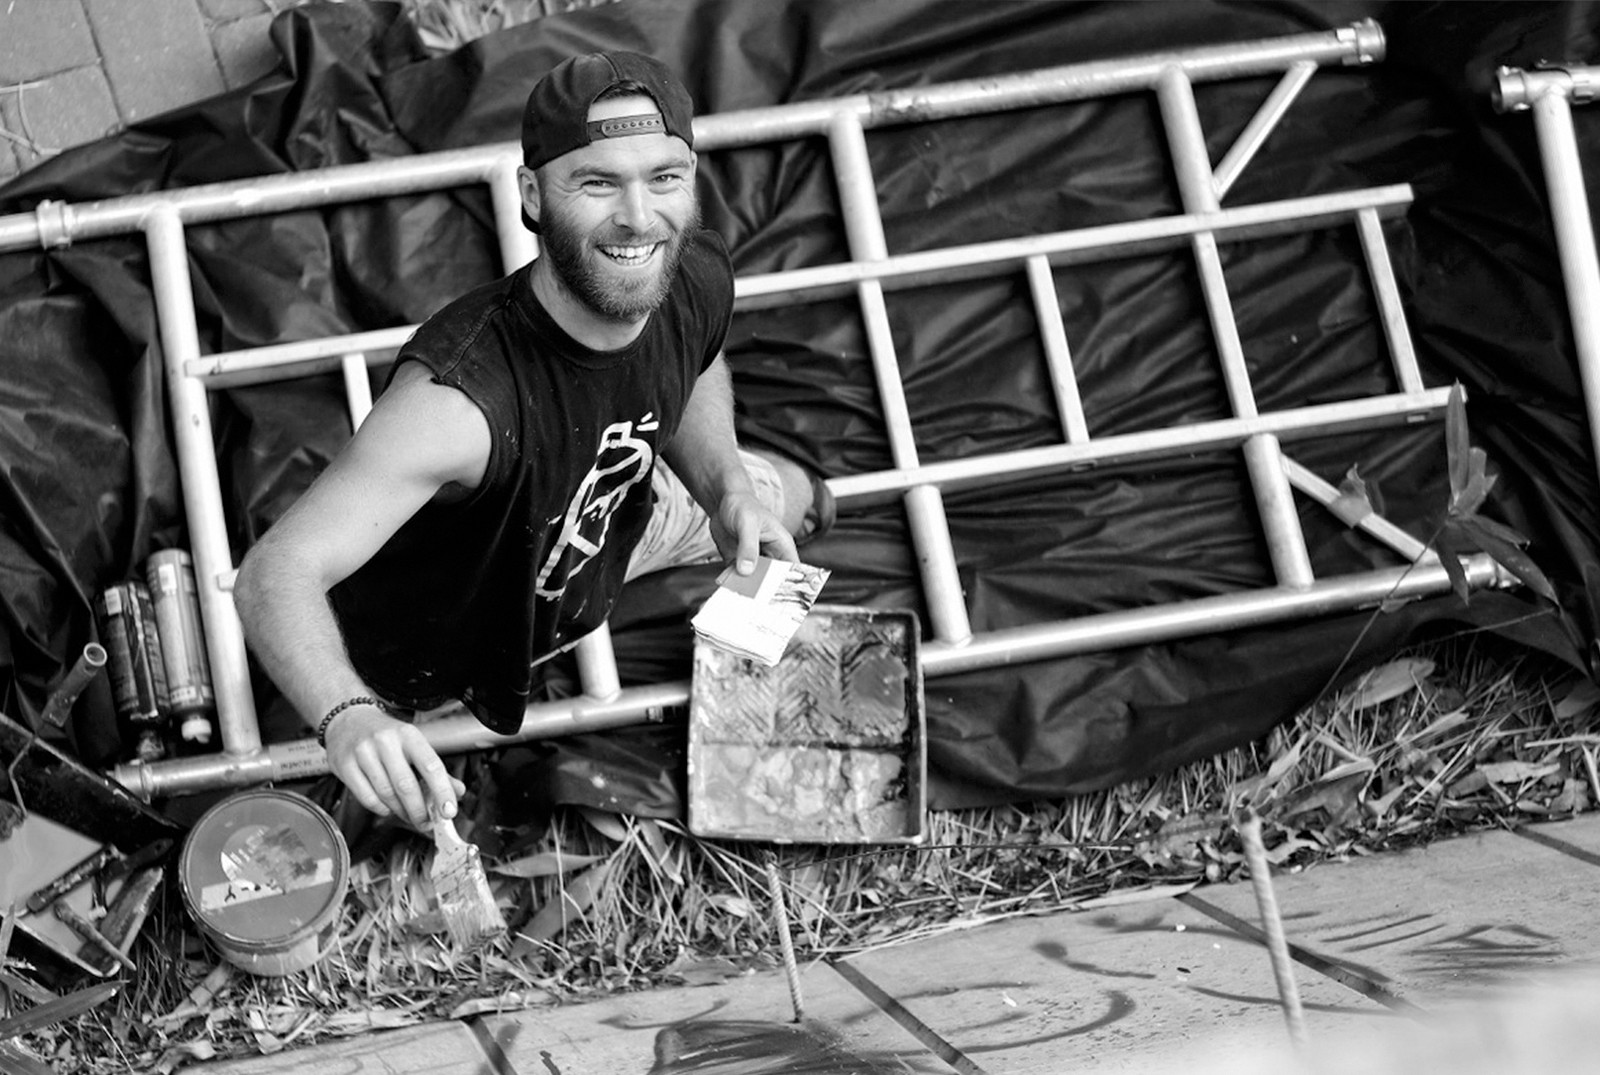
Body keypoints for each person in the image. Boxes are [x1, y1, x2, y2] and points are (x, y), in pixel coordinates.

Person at [233, 50, 830, 832]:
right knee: (306, 813)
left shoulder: (689, 274)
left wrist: (727, 490)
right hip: (442, 637)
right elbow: (274, 572)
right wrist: (348, 715)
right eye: (597, 183)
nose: (639, 217)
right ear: (532, 196)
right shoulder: (460, 402)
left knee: (800, 505)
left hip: (615, 521)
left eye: (663, 177)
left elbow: (697, 355)